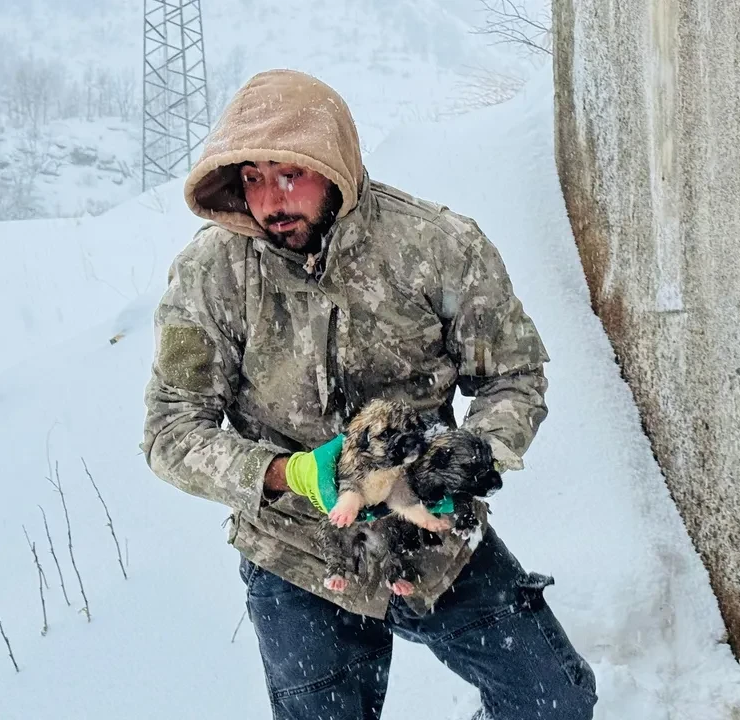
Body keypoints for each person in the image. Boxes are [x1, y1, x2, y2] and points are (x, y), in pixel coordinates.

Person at [141, 68, 597, 720]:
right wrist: (286, 472)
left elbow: (513, 376)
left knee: (553, 700)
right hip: (298, 554)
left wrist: (475, 450)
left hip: (432, 535)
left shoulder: (438, 248)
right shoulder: (211, 273)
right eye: (252, 178)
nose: (270, 201)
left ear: (334, 163)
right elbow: (170, 429)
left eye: (289, 172)